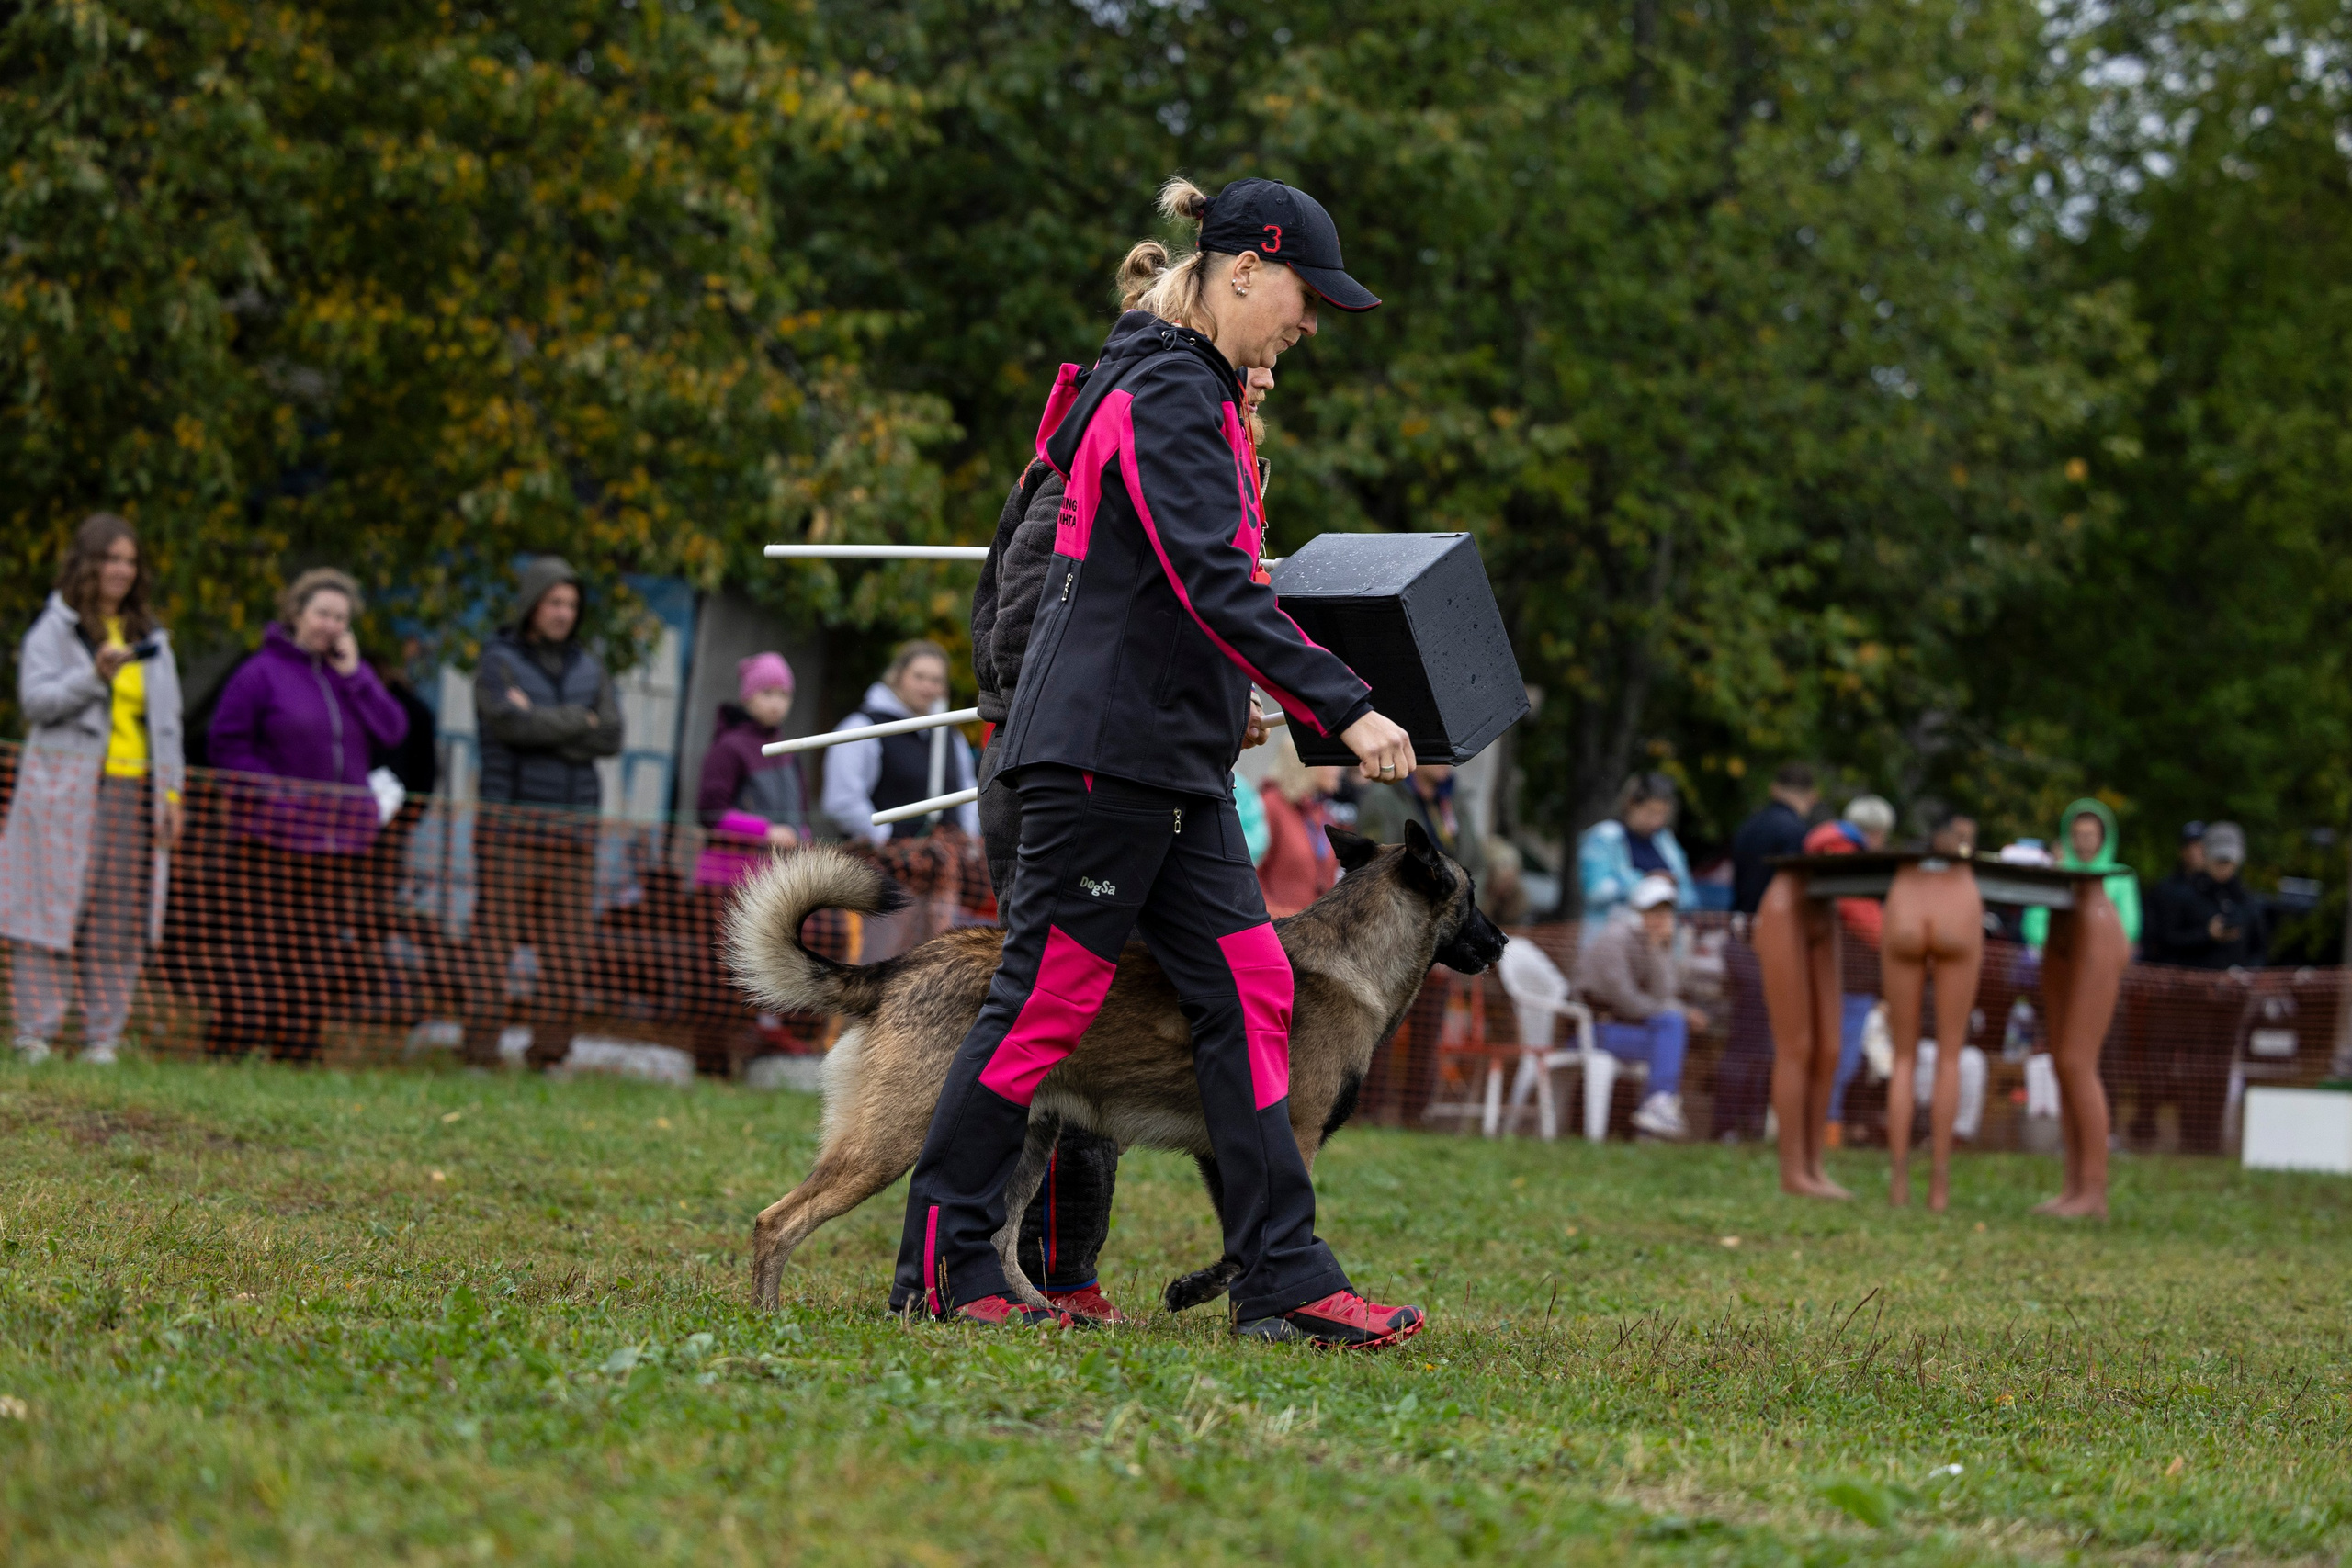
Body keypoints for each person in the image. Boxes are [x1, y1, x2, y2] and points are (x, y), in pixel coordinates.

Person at [891, 173, 1426, 1348]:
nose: (1307, 323)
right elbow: (1214, 579)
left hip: (1168, 760)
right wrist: (1343, 706)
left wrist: (1231, 702)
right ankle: (945, 1258)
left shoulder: (1190, 394)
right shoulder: (1169, 392)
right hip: (1100, 758)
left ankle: (1282, 1276)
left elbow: (1170, 597)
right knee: (1045, 1004)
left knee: (1254, 988)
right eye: (1303, 297)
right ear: (1243, 270)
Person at [2, 515, 185, 1063]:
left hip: (135, 793)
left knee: (119, 917)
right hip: (63, 792)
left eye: (130, 560)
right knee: (48, 908)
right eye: (111, 558)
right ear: (88, 563)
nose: (121, 570)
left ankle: (103, 1037)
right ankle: (36, 1031)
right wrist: (93, 677)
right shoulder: (53, 631)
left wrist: (172, 796)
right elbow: (35, 703)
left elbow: (169, 723)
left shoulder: (150, 638)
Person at [206, 568, 410, 1057]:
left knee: (316, 950)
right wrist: (273, 795)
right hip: (271, 837)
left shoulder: (350, 680)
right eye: (323, 613)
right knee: (259, 946)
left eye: (341, 618)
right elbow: (226, 744)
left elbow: (393, 730)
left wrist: (357, 676)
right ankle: (234, 1047)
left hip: (338, 842)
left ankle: (297, 1049)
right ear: (297, 614)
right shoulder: (260, 673)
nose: (331, 626)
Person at [463, 558, 622, 1066]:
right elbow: (509, 727)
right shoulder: (498, 660)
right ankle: (480, 1053)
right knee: (493, 948)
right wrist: (579, 721)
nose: (563, 613)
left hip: (575, 833)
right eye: (554, 601)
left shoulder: (591, 666)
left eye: (571, 604)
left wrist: (543, 721)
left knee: (568, 954)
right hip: (510, 827)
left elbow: (611, 735)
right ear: (532, 603)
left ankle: (549, 1055)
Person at [1573, 875, 1705, 1139]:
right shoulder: (1616, 937)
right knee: (1671, 1026)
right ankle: (1658, 1107)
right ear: (1637, 910)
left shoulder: (1648, 942)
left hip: (1622, 1030)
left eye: (1664, 912)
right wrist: (1679, 1012)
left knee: (1670, 1030)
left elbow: (1664, 994)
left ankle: (1654, 1112)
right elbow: (1625, 999)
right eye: (1652, 911)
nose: (1659, 918)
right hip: (1591, 1031)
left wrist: (1659, 951)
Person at [821, 641, 980, 847]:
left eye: (936, 680)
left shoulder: (952, 736)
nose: (927, 687)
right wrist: (885, 838)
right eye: (919, 676)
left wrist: (968, 840)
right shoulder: (863, 728)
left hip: (948, 865)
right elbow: (842, 801)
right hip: (882, 865)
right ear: (898, 676)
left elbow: (967, 791)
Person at [1807, 794, 1894, 1140]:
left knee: (1833, 1054)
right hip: (1849, 976)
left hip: (1833, 973)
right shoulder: (1846, 857)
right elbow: (1864, 917)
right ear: (1874, 833)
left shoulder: (1824, 849)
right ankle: (1825, 1131)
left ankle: (1824, 1127)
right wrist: (1895, 939)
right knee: (1839, 1057)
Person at [695, 653, 814, 889]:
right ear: (747, 696)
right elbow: (711, 814)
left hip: (778, 885)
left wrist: (804, 842)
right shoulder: (729, 747)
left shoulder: (789, 751)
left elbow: (801, 817)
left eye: (784, 695)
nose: (776, 703)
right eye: (767, 693)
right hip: (729, 882)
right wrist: (766, 831)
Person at [1577, 772, 1696, 932]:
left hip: (1659, 946)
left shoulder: (1666, 842)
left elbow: (1690, 897)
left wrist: (1670, 890)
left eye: (1662, 814)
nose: (1657, 821)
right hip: (1611, 943)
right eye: (1651, 812)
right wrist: (1647, 883)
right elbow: (1595, 892)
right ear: (1631, 804)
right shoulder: (1604, 838)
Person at [2020, 799, 2143, 953]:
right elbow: (2034, 922)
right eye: (2078, 834)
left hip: (2104, 957)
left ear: (2102, 837)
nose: (2083, 841)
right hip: (2055, 956)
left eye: (2089, 835)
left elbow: (2129, 926)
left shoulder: (2121, 876)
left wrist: (2094, 950)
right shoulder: (2055, 872)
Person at [1256, 733, 1343, 918]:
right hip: (1279, 932)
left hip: (1314, 935)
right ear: (1307, 763)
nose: (1338, 769)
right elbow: (1251, 875)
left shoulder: (1323, 813)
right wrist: (1278, 917)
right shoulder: (1270, 804)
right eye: (1331, 761)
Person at [1360, 762, 1486, 887]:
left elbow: (1475, 861)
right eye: (1437, 751)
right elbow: (1379, 868)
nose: (1446, 760)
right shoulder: (1383, 798)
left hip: (1454, 892)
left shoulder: (1452, 795)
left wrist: (1466, 900)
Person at [1729, 762, 1817, 915]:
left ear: (1774, 789)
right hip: (1776, 923)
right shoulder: (1797, 831)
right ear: (1812, 796)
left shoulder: (1748, 825)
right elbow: (1794, 887)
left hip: (1742, 921)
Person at [2140, 823, 2206, 965]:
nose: (2194, 852)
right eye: (2188, 846)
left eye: (2199, 846)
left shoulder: (2220, 891)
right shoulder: (2165, 890)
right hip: (2170, 967)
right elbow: (2158, 936)